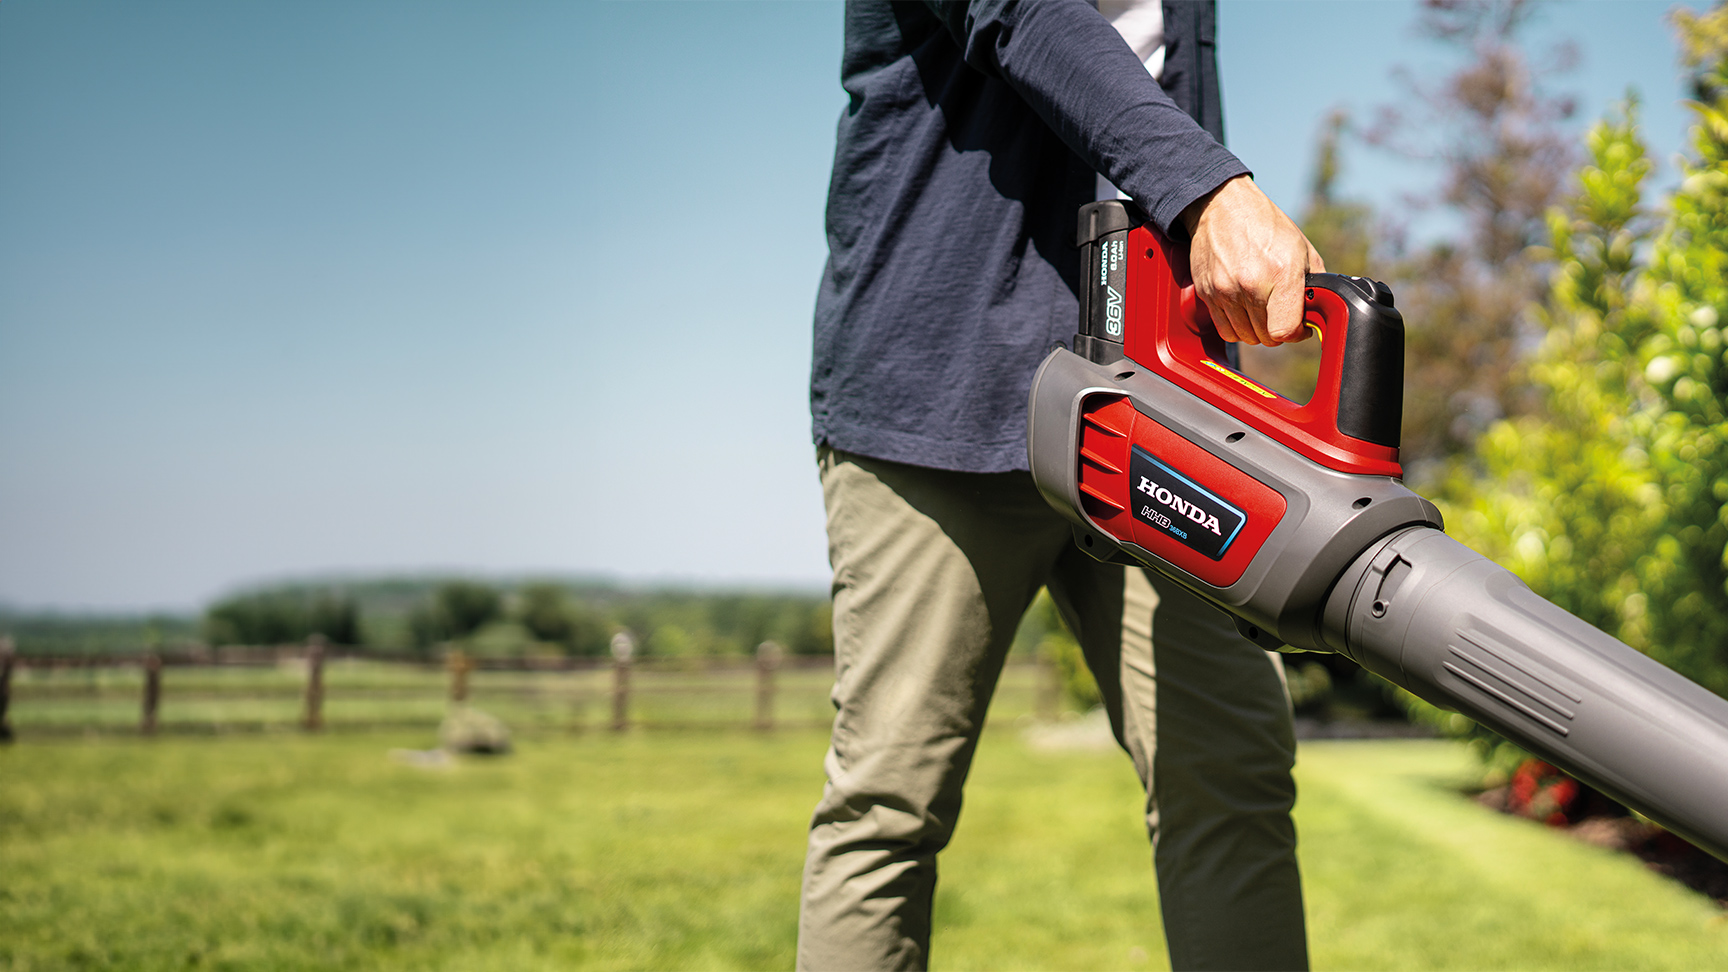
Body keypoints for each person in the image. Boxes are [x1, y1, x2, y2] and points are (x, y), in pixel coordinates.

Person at [800, 2, 1324, 970]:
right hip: (940, 392)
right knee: (889, 805)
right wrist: (1209, 190)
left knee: (1232, 778)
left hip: (1165, 411)